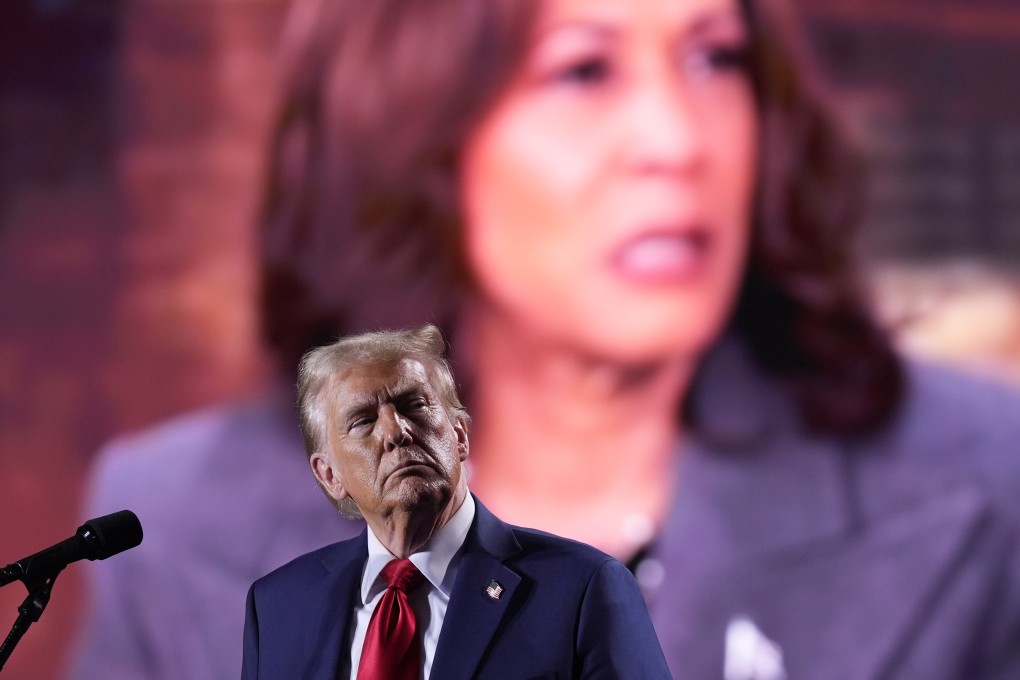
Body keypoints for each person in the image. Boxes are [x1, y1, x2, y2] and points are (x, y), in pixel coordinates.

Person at [72, 0, 1020, 678]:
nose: (676, 140)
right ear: (412, 131)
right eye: (583, 71)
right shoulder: (174, 531)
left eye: (713, 59)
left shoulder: (985, 480)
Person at [241, 324, 671, 679]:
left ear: (460, 435)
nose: (396, 432)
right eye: (364, 421)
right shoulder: (278, 607)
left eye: (414, 406)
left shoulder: (582, 588)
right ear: (329, 475)